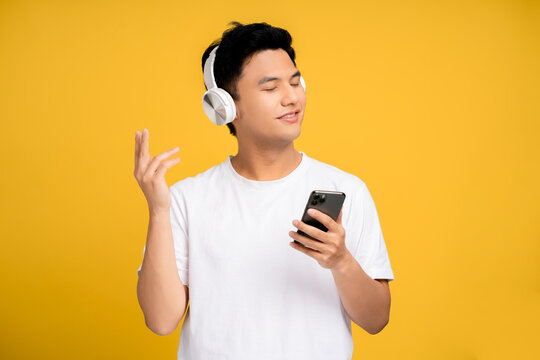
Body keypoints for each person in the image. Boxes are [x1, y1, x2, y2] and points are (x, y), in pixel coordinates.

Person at [134, 21, 395, 360]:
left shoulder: (345, 190)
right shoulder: (186, 199)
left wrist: (341, 261)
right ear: (226, 107)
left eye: (296, 81)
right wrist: (158, 210)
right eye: (271, 88)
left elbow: (377, 320)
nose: (292, 97)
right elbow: (160, 320)